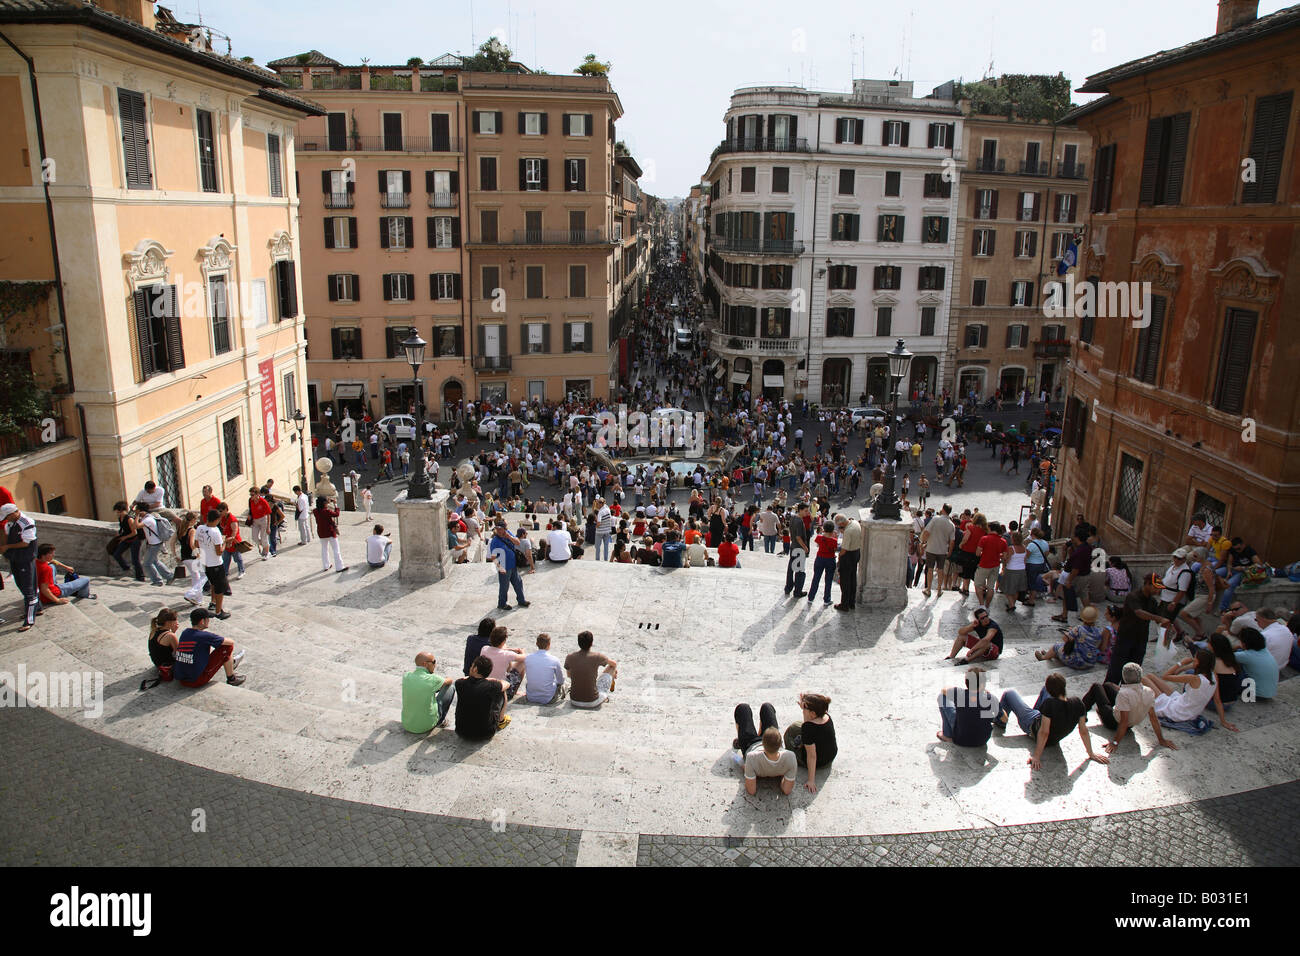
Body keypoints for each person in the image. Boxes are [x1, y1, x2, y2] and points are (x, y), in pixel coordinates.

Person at [995, 672, 1109, 770]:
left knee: (1009, 693)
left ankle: (1000, 721)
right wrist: (1090, 753)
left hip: (1032, 726)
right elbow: (1083, 731)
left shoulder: (1050, 704)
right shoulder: (1078, 703)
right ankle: (1035, 711)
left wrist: (1036, 756)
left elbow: (1044, 732)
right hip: (1054, 735)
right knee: (1045, 690)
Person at [1082, 663, 1177, 752]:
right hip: (1130, 724)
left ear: (1124, 677)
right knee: (1108, 685)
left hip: (1113, 722)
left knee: (1096, 686)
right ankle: (1104, 708)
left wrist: (1115, 743)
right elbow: (1153, 718)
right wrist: (1161, 739)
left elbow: (1124, 721)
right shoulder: (1149, 691)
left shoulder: (1124, 694)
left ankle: (1081, 714)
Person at [1144, 648, 1238, 732]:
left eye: (1195, 659)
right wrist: (1223, 721)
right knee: (1150, 676)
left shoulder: (1194, 679)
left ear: (1198, 663)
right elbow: (1217, 701)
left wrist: (1181, 663)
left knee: (1145, 678)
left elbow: (1165, 676)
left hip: (1178, 712)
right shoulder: (1214, 676)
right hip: (1187, 708)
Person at [1104, 573, 1170, 686]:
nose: (1157, 591)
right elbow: (1139, 612)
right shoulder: (1133, 596)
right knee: (1115, 670)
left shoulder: (1152, 601)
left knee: (1133, 672)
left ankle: (1126, 693)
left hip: (1141, 639)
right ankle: (1108, 693)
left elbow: (1159, 618)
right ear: (1147, 584)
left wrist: (1167, 624)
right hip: (1125, 638)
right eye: (1155, 588)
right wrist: (1159, 618)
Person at [731, 705, 796, 796]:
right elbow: (786, 790)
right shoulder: (790, 756)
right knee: (767, 707)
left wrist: (742, 764)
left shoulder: (752, 757)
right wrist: (782, 773)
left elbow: (751, 790)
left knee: (743, 708)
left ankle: (747, 738)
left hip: (751, 745)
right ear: (780, 744)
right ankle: (758, 734)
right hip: (769, 742)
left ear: (763, 744)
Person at [173, 607, 246, 687]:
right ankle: (232, 679)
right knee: (227, 647)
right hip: (196, 680)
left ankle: (230, 662)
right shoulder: (204, 636)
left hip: (181, 679)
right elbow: (230, 642)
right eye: (207, 619)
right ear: (202, 621)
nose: (209, 621)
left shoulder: (185, 632)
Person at [784, 692, 836, 793]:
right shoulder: (826, 716)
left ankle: (793, 752)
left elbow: (812, 756)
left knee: (790, 732)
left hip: (820, 763)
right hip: (829, 757)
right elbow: (807, 724)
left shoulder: (808, 728)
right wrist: (805, 706)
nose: (803, 710)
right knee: (797, 725)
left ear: (813, 713)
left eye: (805, 708)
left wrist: (811, 780)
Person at [0, 503, 39, 630]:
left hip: (25, 559)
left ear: (14, 513)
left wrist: (7, 547)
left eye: (7, 516)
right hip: (15, 559)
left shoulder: (27, 522)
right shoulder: (10, 524)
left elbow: (26, 543)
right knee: (21, 584)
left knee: (28, 589)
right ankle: (37, 608)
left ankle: (29, 620)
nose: (6, 519)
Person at [936, 667, 996, 746]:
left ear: (966, 682)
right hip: (982, 741)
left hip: (960, 739)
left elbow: (944, 689)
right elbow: (1004, 718)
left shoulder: (959, 693)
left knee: (942, 697)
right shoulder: (990, 698)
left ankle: (947, 735)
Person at [455, 655, 512, 737]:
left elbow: (463, 678)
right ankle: (501, 721)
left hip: (461, 731)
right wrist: (490, 679)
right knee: (501, 692)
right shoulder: (492, 686)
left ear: (475, 669)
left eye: (472, 666)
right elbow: (507, 684)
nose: (470, 668)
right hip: (486, 733)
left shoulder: (459, 684)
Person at [1036, 605, 1108, 668]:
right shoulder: (1099, 631)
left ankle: (1044, 657)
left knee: (1056, 646)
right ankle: (1051, 654)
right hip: (1090, 662)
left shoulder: (1078, 629)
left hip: (1076, 661)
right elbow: (1100, 647)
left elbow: (1065, 639)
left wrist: (1069, 633)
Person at [401, 651, 456, 733]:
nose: (435, 665)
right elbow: (450, 681)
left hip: (407, 724)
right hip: (426, 726)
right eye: (433, 662)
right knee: (450, 687)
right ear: (425, 664)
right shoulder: (433, 679)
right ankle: (441, 720)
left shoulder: (406, 676)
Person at [566, 630, 617, 708]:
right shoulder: (597, 656)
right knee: (612, 667)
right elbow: (614, 664)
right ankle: (610, 685)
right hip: (592, 701)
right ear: (591, 643)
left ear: (578, 643)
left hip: (574, 701)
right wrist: (614, 673)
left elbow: (569, 675)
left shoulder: (570, 657)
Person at [196, 509, 232, 620]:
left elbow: (196, 543)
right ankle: (218, 611)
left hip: (206, 562)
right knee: (219, 588)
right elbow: (219, 552)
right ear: (217, 519)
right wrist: (225, 542)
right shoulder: (215, 532)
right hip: (216, 563)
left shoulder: (200, 528)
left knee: (213, 584)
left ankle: (213, 602)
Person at [488, 520, 529, 610]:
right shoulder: (495, 541)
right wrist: (500, 568)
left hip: (513, 565)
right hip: (504, 567)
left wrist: (509, 537)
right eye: (497, 529)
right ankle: (502, 604)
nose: (499, 531)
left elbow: (517, 542)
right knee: (504, 587)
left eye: (500, 529)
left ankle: (521, 600)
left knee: (518, 583)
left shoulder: (508, 533)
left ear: (504, 529)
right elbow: (493, 557)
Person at [480, 625, 527, 699]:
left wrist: (510, 649)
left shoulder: (484, 649)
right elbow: (524, 657)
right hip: (501, 689)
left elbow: (498, 649)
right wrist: (522, 651)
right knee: (522, 663)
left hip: (486, 686)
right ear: (503, 641)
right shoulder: (507, 654)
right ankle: (514, 691)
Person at [1233, 627, 1278, 701]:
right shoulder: (1265, 650)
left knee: (1231, 666)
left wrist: (1234, 648)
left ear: (1244, 643)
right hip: (1269, 693)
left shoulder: (1246, 656)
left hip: (1254, 695)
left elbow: (1227, 656)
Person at [920, 503, 955, 597]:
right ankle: (939, 590)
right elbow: (952, 541)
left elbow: (927, 532)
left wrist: (923, 542)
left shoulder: (935, 519)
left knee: (930, 569)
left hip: (931, 548)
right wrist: (950, 552)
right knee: (940, 570)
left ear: (943, 509)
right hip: (942, 550)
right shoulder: (951, 524)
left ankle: (928, 589)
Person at [523, 633, 567, 704]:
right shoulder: (554, 660)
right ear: (549, 645)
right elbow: (560, 681)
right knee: (564, 684)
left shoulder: (528, 658)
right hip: (548, 698)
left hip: (531, 697)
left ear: (536, 644)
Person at [111, 500, 145, 581]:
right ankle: (126, 568)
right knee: (116, 554)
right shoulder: (120, 518)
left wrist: (124, 538)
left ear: (122, 510)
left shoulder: (129, 519)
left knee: (135, 560)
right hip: (127, 539)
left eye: (118, 512)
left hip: (134, 540)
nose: (117, 513)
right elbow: (123, 528)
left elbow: (134, 533)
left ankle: (140, 577)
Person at [806, 520, 838, 606]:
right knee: (828, 580)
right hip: (830, 559)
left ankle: (811, 597)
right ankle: (827, 599)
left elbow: (818, 544)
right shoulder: (834, 541)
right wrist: (835, 537)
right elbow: (835, 549)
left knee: (816, 578)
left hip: (820, 558)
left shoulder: (819, 537)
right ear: (832, 530)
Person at [834, 513, 861, 611]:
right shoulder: (855, 523)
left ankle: (844, 604)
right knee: (853, 579)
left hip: (848, 556)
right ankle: (851, 602)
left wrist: (839, 558)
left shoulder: (848, 531)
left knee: (845, 581)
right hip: (856, 553)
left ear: (841, 524)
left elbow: (844, 549)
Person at [314, 496, 347, 573]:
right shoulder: (327, 511)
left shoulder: (315, 511)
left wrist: (328, 503)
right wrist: (335, 505)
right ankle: (339, 566)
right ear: (324, 503)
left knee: (324, 549)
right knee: (336, 550)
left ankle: (326, 565)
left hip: (321, 532)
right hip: (330, 532)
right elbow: (336, 514)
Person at [248, 487, 272, 558]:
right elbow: (250, 509)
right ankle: (265, 546)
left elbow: (268, 514)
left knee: (263, 537)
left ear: (257, 494)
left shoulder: (263, 501)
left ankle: (267, 552)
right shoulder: (250, 500)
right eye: (250, 495)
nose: (251, 496)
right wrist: (249, 515)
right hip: (255, 520)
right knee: (254, 537)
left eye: (252, 495)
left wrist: (268, 527)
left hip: (263, 520)